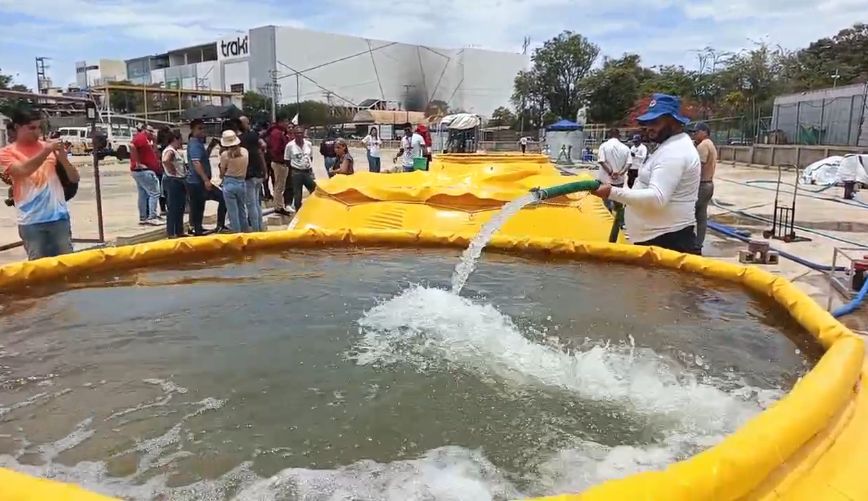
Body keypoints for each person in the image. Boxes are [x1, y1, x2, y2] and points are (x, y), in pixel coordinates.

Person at [591, 93, 700, 254]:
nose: (649, 127)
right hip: (659, 238)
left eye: (655, 122)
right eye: (647, 122)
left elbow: (657, 198)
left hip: (668, 241)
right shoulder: (668, 146)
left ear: (674, 121)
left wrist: (612, 192)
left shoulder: (674, 152)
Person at [0, 109, 79, 260]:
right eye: (31, 128)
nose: (36, 132)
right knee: (38, 266)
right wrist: (46, 151)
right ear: (17, 127)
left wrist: (63, 159)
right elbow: (23, 171)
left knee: (68, 263)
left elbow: (74, 178)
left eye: (38, 127)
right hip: (31, 221)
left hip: (59, 218)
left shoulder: (49, 148)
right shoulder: (6, 153)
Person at [186, 119, 228, 235]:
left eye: (203, 128)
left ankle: (199, 227)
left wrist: (210, 147)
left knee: (199, 206)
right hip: (197, 182)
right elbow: (196, 163)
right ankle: (198, 228)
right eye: (199, 128)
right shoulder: (194, 144)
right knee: (199, 205)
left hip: (200, 181)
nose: (202, 131)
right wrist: (205, 180)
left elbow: (203, 158)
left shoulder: (198, 143)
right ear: (193, 129)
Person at [130, 124, 163, 226]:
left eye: (153, 131)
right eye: (150, 131)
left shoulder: (148, 141)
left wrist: (155, 142)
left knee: (143, 194)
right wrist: (137, 163)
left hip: (145, 171)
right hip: (144, 171)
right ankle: (151, 217)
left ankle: (143, 217)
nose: (152, 133)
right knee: (154, 193)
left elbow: (155, 152)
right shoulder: (141, 138)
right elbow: (131, 146)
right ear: (144, 130)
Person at [218, 130, 250, 233]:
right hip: (241, 182)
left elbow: (222, 173)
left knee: (233, 213)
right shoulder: (245, 151)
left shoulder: (225, 155)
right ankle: (245, 232)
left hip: (229, 182)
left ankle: (237, 233)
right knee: (242, 210)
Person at [239, 116, 266, 231]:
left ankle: (255, 229)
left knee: (251, 204)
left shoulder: (240, 139)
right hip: (258, 172)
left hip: (249, 174)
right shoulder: (254, 136)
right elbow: (261, 150)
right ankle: (260, 227)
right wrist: (265, 171)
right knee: (256, 203)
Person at [692, 122, 717, 250]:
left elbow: (698, 168)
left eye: (696, 132)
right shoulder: (710, 144)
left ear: (704, 132)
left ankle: (691, 242)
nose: (694, 135)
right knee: (701, 216)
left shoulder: (703, 146)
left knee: (690, 214)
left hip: (702, 185)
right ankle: (698, 244)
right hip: (709, 184)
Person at [161, 130, 187, 238]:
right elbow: (166, 160)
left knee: (180, 207)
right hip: (174, 181)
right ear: (176, 139)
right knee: (173, 208)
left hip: (176, 180)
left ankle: (179, 231)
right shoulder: (170, 150)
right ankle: (172, 233)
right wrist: (172, 171)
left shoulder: (175, 151)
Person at [597, 128, 630, 211]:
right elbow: (629, 163)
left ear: (609, 135)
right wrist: (620, 173)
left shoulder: (604, 146)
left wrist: (611, 172)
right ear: (619, 136)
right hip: (619, 181)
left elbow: (601, 161)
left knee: (606, 205)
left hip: (605, 180)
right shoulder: (625, 148)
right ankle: (619, 221)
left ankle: (608, 221)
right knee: (618, 204)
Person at [285, 126, 316, 212]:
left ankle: (313, 208)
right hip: (296, 172)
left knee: (314, 189)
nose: (299, 135)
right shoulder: (290, 146)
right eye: (297, 133)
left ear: (303, 134)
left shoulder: (308, 144)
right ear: (294, 135)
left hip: (307, 171)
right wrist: (295, 167)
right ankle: (298, 211)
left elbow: (311, 157)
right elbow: (287, 160)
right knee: (297, 194)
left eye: (301, 133)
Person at [266, 117, 291, 215]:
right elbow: (276, 148)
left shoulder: (280, 132)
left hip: (280, 161)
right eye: (286, 121)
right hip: (279, 162)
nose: (287, 123)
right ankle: (278, 207)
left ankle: (279, 205)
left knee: (280, 185)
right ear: (281, 122)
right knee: (279, 186)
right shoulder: (277, 133)